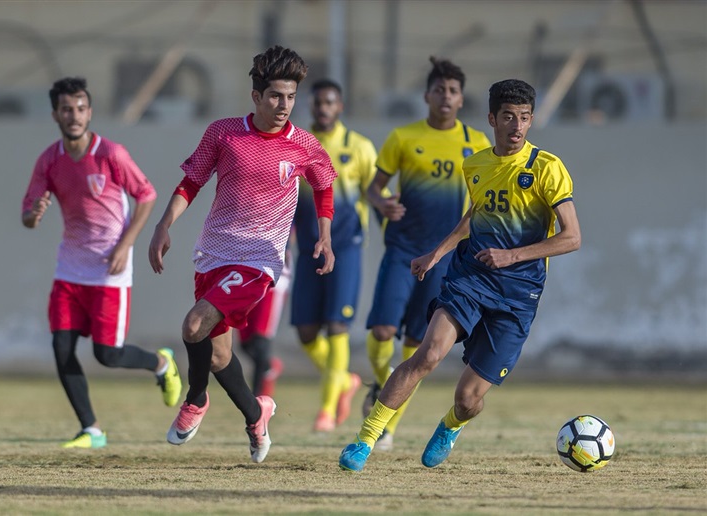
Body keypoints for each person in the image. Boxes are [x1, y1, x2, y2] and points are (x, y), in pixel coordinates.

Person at [339, 79, 582, 472]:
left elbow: (572, 237)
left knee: (468, 398)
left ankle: (450, 426)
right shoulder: (476, 165)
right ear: (491, 119)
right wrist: (436, 253)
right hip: (471, 277)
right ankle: (365, 440)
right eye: (508, 117)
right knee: (428, 353)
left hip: (519, 295)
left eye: (524, 118)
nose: (516, 126)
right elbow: (475, 216)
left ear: (532, 120)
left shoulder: (547, 168)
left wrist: (512, 255)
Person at [148, 45, 337, 464]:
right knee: (218, 354)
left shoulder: (304, 144)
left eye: (290, 97)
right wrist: (164, 225)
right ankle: (257, 414)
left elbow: (324, 187)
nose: (284, 104)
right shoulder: (224, 133)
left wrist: (324, 236)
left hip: (261, 259)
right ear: (256, 96)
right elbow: (191, 182)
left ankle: (195, 400)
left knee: (194, 323)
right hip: (214, 254)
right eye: (275, 96)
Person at [21, 77, 182, 449]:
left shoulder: (111, 153)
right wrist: (35, 212)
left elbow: (147, 195)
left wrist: (126, 245)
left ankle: (161, 363)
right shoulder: (49, 160)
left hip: (110, 269)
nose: (74, 115)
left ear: (89, 112)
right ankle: (91, 430)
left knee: (107, 355)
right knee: (62, 349)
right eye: (66, 109)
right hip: (69, 270)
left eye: (80, 108)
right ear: (55, 115)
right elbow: (27, 216)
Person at [360, 57, 491, 450]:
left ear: (461, 98)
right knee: (383, 330)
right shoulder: (403, 137)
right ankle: (383, 380)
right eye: (439, 90)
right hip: (402, 249)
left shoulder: (478, 145)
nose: (445, 97)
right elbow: (373, 188)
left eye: (452, 91)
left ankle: (388, 428)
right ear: (427, 95)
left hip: (445, 257)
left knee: (417, 344)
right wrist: (382, 204)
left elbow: (483, 203)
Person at [292, 79, 378, 432]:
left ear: (340, 106)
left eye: (330, 102)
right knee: (307, 332)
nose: (323, 108)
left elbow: (377, 194)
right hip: (307, 249)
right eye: (318, 103)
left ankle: (327, 411)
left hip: (345, 249)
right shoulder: (296, 144)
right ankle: (342, 380)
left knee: (337, 326)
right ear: (310, 107)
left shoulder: (358, 147)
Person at [237, 251, 290, 398]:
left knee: (260, 341)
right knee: (245, 343)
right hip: (247, 273)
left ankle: (257, 400)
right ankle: (268, 367)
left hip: (273, 275)